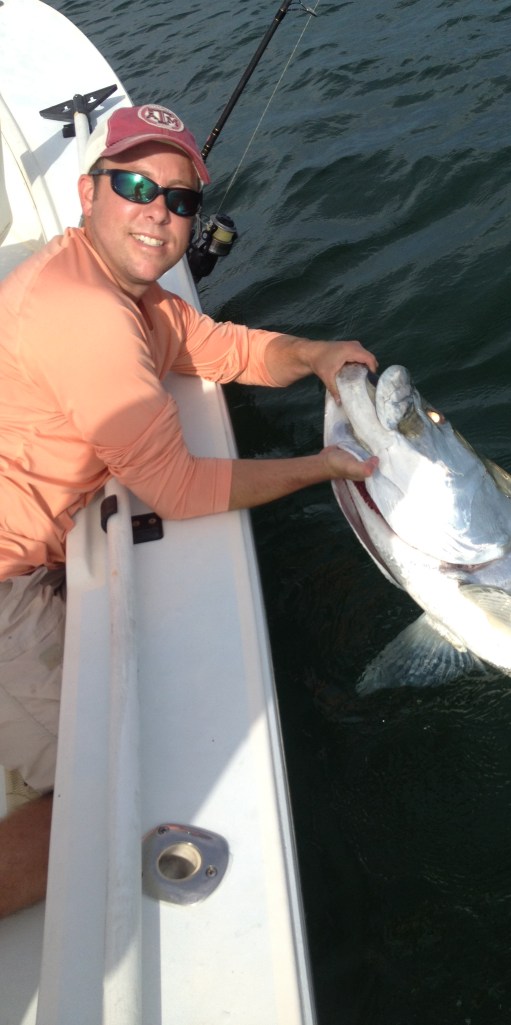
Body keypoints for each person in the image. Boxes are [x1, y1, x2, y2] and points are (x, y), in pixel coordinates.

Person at [0, 103, 378, 918]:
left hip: (39, 545)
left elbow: (227, 350)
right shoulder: (87, 316)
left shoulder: (123, 292)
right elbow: (176, 487)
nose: (158, 213)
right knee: (101, 798)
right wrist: (318, 468)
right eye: (134, 185)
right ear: (85, 191)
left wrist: (311, 353)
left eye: (179, 200)